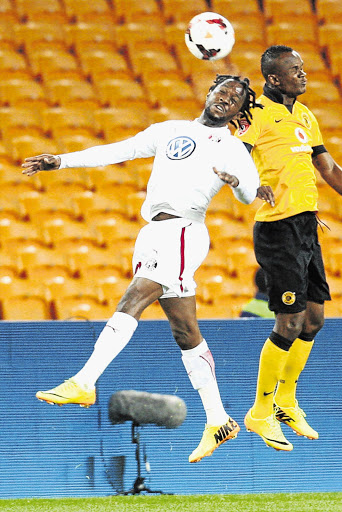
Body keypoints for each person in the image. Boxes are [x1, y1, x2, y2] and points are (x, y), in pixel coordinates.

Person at [22, 74, 264, 463]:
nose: (227, 99)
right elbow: (119, 150)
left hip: (185, 231)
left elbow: (250, 192)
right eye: (224, 91)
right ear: (209, 93)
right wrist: (60, 161)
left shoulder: (233, 148)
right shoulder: (170, 130)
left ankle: (84, 381)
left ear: (240, 111)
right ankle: (219, 420)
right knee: (185, 331)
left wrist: (236, 183)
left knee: (135, 295)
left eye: (237, 99)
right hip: (153, 231)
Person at [235, 45, 342, 452]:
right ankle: (260, 411)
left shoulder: (305, 115)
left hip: (307, 226)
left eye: (302, 68)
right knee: (289, 322)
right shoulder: (254, 114)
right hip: (277, 229)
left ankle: (286, 400)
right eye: (294, 70)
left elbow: (325, 166)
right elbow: (231, 155)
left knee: (313, 321)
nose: (303, 74)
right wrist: (246, 183)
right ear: (273, 78)